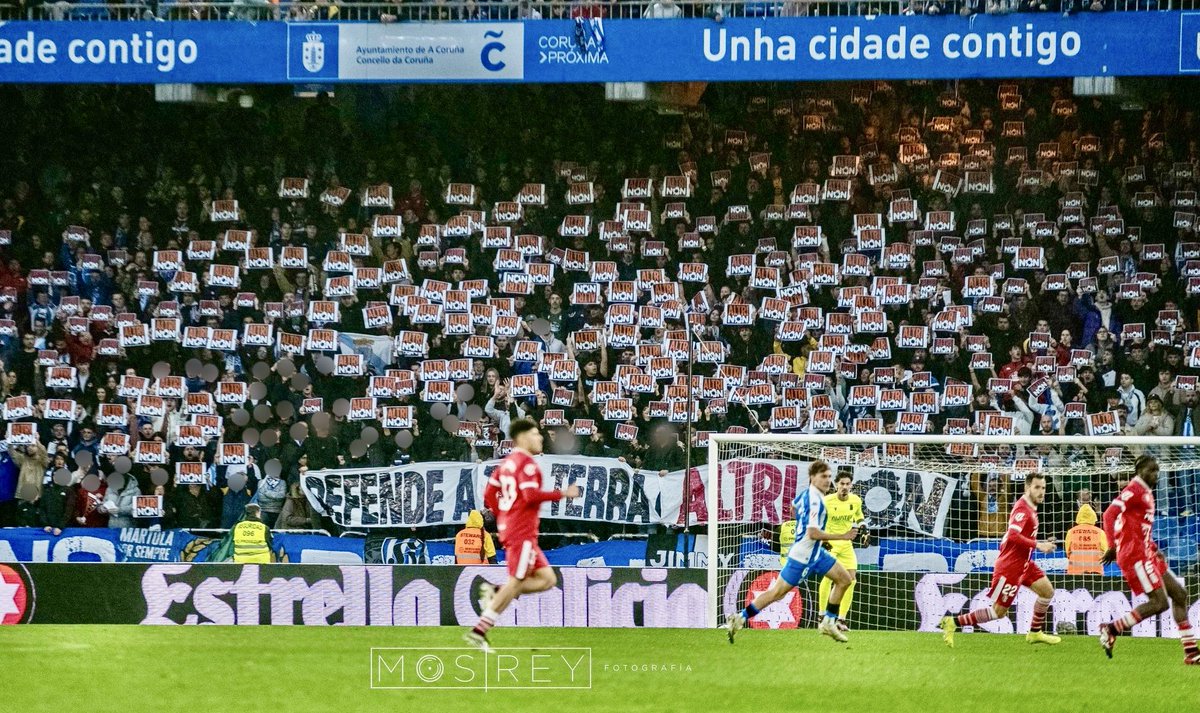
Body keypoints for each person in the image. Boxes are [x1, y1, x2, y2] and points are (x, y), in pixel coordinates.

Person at [465, 418, 581, 651]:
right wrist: (563, 493)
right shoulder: (527, 464)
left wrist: (502, 517)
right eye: (536, 434)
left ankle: (497, 592)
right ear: (522, 438)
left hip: (515, 529)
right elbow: (529, 497)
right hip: (522, 532)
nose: (540, 438)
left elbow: (489, 493)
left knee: (548, 579)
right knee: (516, 581)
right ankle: (479, 631)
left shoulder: (506, 464)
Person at [726, 461, 858, 644]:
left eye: (829, 476)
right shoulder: (816, 502)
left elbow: (793, 508)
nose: (827, 481)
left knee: (844, 579)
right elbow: (813, 533)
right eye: (823, 477)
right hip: (802, 555)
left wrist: (801, 529)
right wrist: (842, 536)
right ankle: (740, 618)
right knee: (777, 593)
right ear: (813, 478)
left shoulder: (806, 494)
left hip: (816, 553)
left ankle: (828, 622)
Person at [940, 474, 1060, 647]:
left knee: (1047, 592)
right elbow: (1012, 535)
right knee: (998, 612)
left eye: (1043, 488)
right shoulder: (1022, 509)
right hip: (1009, 568)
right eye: (1037, 487)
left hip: (1024, 564)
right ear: (1027, 488)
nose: (1041, 492)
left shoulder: (1031, 508)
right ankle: (953, 622)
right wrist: (1038, 545)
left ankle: (1035, 632)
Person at [1099, 456, 1199, 664]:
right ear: (1139, 471)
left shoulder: (1147, 493)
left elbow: (1139, 528)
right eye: (1151, 470)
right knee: (1159, 602)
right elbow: (1109, 514)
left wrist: (1154, 547)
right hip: (1135, 555)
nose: (1155, 475)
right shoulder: (1134, 489)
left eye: (1157, 471)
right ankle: (1111, 628)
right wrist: (1111, 545)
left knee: (1179, 594)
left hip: (1147, 552)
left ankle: (1191, 653)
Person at [819, 471, 866, 631]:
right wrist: (823, 540)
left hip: (846, 544)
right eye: (842, 484)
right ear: (836, 485)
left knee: (852, 580)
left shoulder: (856, 500)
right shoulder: (826, 501)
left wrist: (864, 528)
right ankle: (822, 614)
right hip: (830, 543)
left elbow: (859, 516)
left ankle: (841, 619)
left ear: (851, 485)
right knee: (829, 578)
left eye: (847, 484)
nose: (845, 487)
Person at [1064, 503, 1107, 575]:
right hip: (1095, 571)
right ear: (1093, 516)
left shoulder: (1071, 532)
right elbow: (1105, 551)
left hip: (1074, 571)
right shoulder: (1100, 532)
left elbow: (1067, 552)